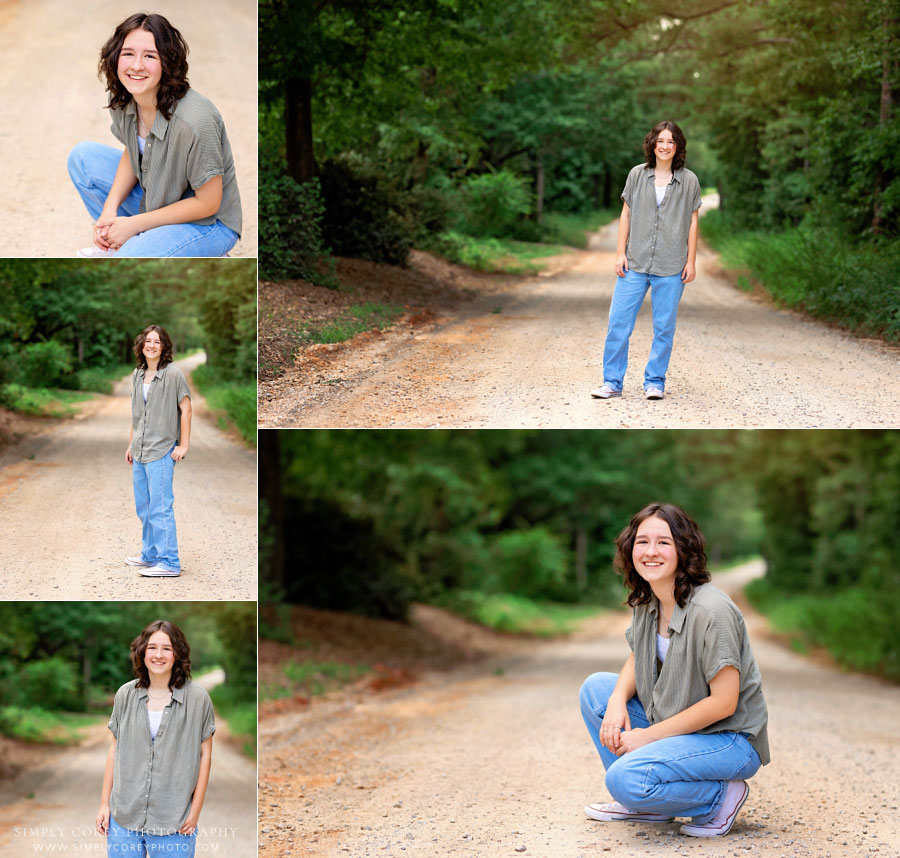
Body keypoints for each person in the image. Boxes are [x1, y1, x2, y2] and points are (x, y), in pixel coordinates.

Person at [579, 503, 769, 838]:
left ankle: (720, 797)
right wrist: (616, 702)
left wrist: (646, 737)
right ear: (630, 548)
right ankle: (648, 805)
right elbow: (638, 656)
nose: (651, 552)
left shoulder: (711, 610)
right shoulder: (648, 599)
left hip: (727, 740)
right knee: (597, 688)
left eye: (663, 542)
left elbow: (724, 703)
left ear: (683, 549)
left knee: (624, 780)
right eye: (642, 542)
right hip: (680, 727)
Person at [68, 13, 241, 257]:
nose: (136, 65)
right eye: (128, 53)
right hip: (157, 199)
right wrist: (110, 210)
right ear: (116, 57)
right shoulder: (124, 97)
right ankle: (130, 243)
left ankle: (189, 251)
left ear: (168, 62)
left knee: (129, 262)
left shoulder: (195, 120)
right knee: (82, 158)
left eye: (150, 56)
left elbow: (209, 203)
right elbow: (134, 150)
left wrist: (135, 224)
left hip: (208, 223)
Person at [591, 121, 701, 401]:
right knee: (618, 323)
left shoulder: (689, 180)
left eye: (671, 142)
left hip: (671, 266)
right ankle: (611, 382)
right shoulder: (637, 175)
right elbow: (625, 214)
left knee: (664, 327)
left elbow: (692, 222)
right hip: (635, 263)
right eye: (661, 141)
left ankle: (655, 382)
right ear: (653, 144)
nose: (665, 146)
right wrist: (619, 253)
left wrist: (691, 261)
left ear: (678, 147)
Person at [96, 619, 215, 857]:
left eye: (167, 648)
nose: (158, 655)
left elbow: (205, 755)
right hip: (124, 820)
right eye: (152, 647)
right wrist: (104, 804)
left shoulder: (198, 699)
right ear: (142, 652)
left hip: (175, 821)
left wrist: (195, 811)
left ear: (177, 654)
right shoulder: (125, 694)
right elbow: (114, 750)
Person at [126, 325, 191, 577]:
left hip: (162, 450)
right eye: (148, 341)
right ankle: (150, 554)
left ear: (164, 347)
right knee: (144, 506)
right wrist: (131, 443)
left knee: (160, 507)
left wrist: (183, 445)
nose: (152, 345)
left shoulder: (173, 374)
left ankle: (169, 562)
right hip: (140, 451)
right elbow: (136, 414)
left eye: (157, 342)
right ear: (141, 345)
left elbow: (186, 409)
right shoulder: (137, 374)